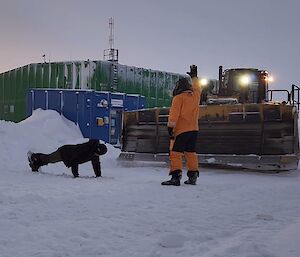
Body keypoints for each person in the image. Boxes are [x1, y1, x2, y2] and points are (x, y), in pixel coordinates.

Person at [161, 65, 201, 186]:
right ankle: (193, 176)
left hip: (181, 130)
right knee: (190, 153)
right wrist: (194, 77)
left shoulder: (178, 98)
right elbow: (198, 88)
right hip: (193, 130)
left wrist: (170, 127)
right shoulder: (195, 96)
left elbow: (174, 114)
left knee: (175, 153)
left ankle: (175, 177)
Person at [28, 139, 107, 178]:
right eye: (97, 153)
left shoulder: (94, 153)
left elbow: (96, 164)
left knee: (50, 160)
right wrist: (76, 175)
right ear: (97, 149)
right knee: (49, 159)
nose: (97, 155)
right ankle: (34, 157)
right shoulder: (86, 149)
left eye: (98, 155)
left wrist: (98, 176)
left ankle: (35, 164)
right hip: (64, 152)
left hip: (69, 155)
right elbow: (75, 160)